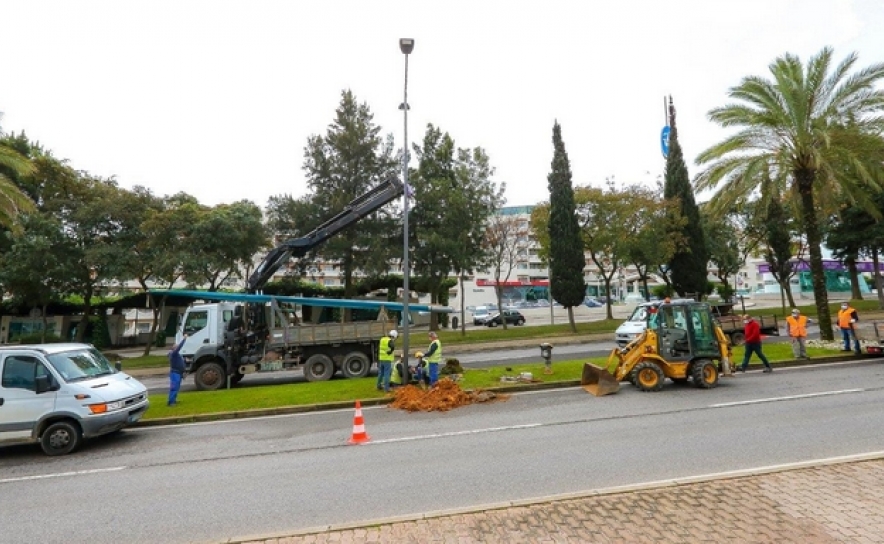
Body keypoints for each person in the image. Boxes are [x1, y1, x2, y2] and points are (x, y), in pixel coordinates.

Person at [168, 334, 188, 406]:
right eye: (176, 346)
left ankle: (174, 399)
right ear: (174, 348)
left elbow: (180, 363)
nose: (177, 346)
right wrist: (184, 339)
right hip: (175, 374)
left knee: (176, 387)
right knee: (174, 387)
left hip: (178, 373)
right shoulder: (173, 354)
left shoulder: (176, 355)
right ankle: (171, 402)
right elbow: (179, 347)